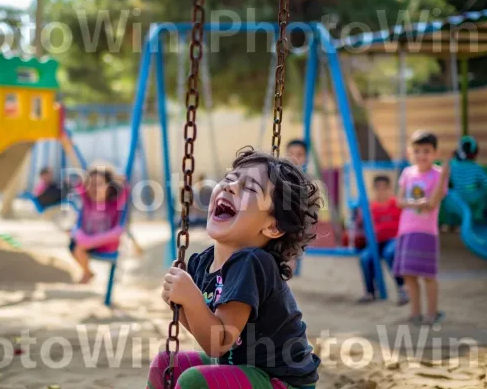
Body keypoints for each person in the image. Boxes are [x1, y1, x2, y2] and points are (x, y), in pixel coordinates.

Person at [148, 147, 321, 389]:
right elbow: (206, 328)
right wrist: (180, 303)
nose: (231, 186)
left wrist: (191, 298)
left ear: (272, 227)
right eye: (229, 178)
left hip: (281, 382)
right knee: (165, 363)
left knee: (194, 380)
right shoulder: (201, 263)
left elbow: (217, 343)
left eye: (250, 188)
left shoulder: (252, 263)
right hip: (240, 367)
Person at [393, 130, 450, 326]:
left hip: (427, 232)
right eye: (417, 150)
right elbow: (399, 201)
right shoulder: (407, 173)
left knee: (427, 275)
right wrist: (419, 203)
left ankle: (431, 314)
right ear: (410, 152)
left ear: (435, 153)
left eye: (426, 151)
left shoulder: (438, 174)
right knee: (409, 275)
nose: (421, 155)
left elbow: (433, 203)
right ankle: (415, 313)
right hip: (406, 230)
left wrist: (417, 202)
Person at [69, 166, 128, 284]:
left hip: (106, 243)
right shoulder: (88, 201)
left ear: (109, 187)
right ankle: (87, 272)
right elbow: (79, 185)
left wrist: (122, 181)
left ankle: (87, 273)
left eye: (100, 184)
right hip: (88, 242)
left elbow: (125, 192)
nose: (95, 188)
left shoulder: (113, 204)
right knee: (73, 246)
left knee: (80, 246)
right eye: (92, 184)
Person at [356, 175, 408, 305]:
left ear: (390, 189)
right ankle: (370, 292)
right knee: (365, 258)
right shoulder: (370, 207)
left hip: (393, 239)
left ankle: (402, 288)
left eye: (384, 188)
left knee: (390, 253)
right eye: (378, 188)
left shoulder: (396, 204)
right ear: (373, 189)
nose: (381, 191)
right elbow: (361, 224)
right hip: (376, 242)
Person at [449, 135, 487, 222]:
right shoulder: (475, 167)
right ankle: (478, 218)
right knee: (485, 193)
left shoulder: (452, 165)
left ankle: (452, 223)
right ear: (475, 152)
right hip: (472, 198)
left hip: (456, 197)